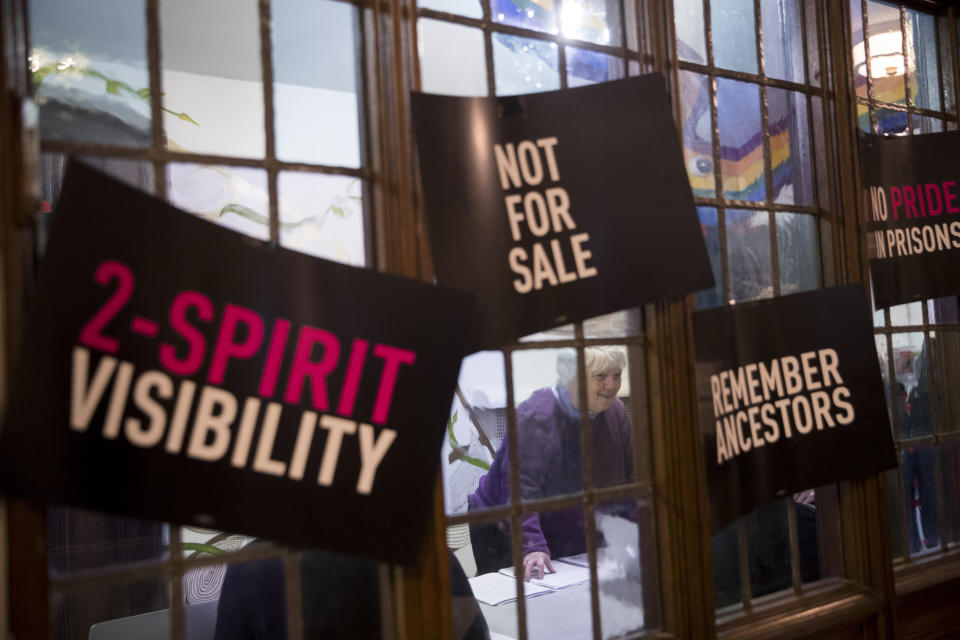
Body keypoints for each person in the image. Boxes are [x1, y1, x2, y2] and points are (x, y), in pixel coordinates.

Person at [467, 347, 633, 581]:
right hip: (505, 523)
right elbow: (519, 491)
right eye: (601, 376)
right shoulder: (536, 416)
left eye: (617, 375)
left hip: (561, 521)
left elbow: (628, 479)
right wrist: (532, 545)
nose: (611, 384)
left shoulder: (616, 412)